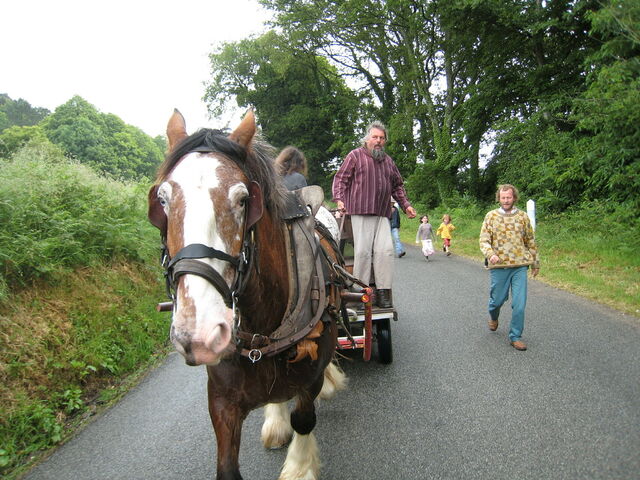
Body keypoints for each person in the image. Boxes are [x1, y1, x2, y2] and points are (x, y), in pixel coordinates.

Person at [332, 121, 416, 308]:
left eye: (382, 138)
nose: (378, 141)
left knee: (385, 252)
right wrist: (339, 199)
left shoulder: (388, 161)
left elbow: (397, 186)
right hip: (360, 212)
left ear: (385, 141)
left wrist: (406, 205)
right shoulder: (355, 156)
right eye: (375, 137)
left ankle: (383, 293)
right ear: (367, 139)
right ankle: (361, 294)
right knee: (362, 253)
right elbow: (340, 179)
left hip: (382, 214)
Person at [479, 184, 540, 351]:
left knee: (519, 304)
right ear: (499, 198)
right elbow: (484, 240)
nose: (506, 200)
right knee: (497, 300)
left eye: (509, 197)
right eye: (503, 197)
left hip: (520, 266)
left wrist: (535, 262)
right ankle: (493, 316)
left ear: (514, 198)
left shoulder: (523, 217)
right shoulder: (491, 216)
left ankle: (515, 336)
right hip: (499, 266)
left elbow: (530, 241)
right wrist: (490, 254)